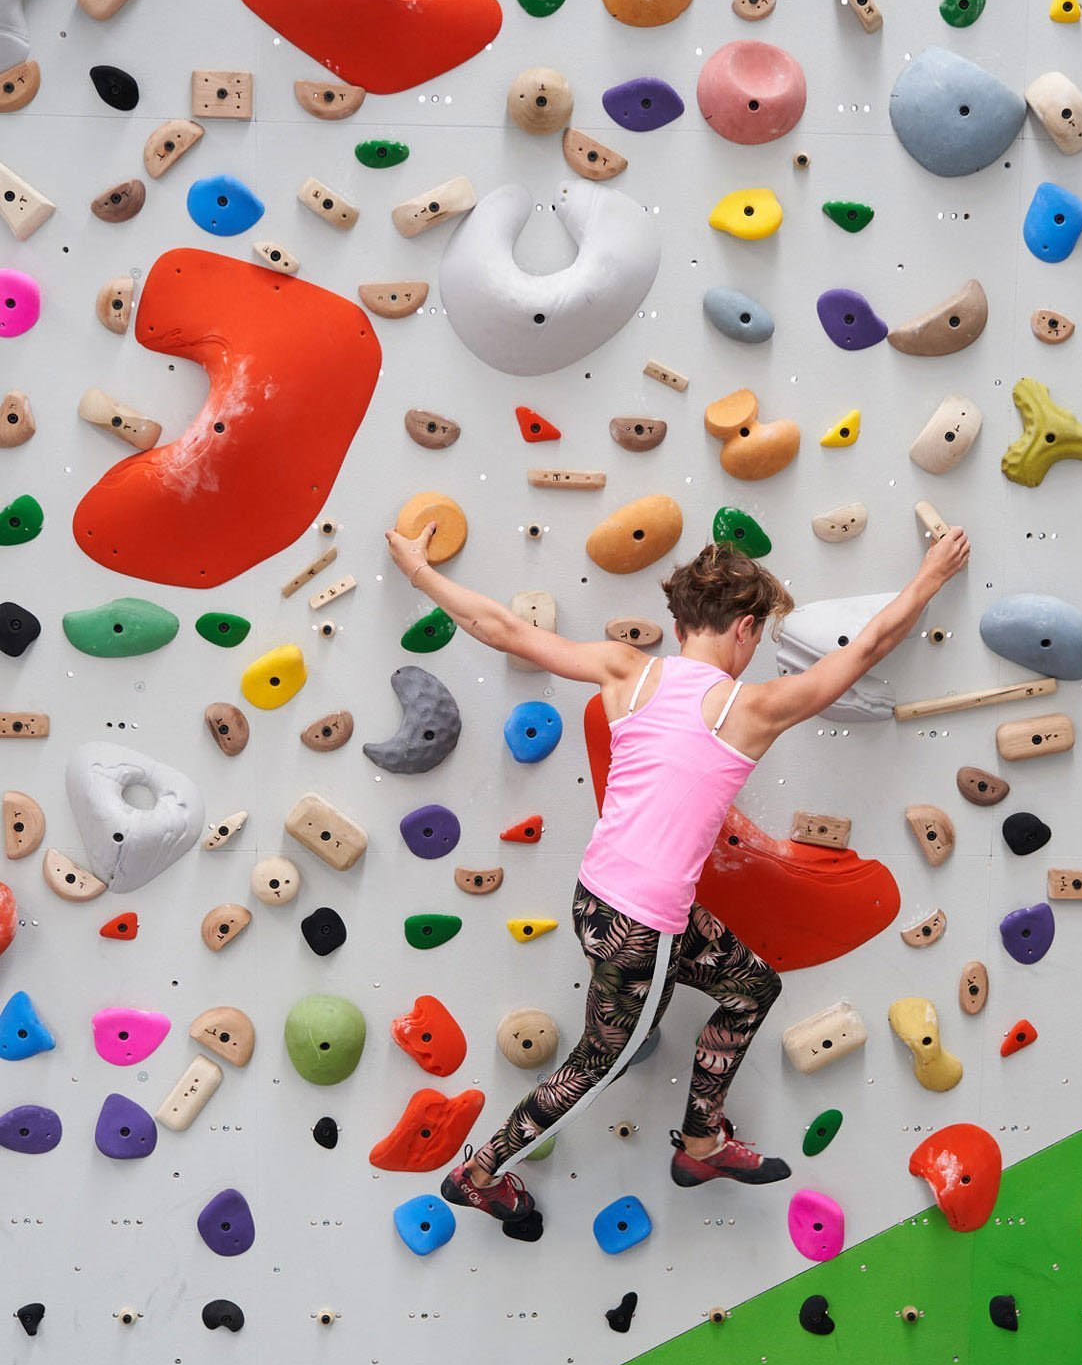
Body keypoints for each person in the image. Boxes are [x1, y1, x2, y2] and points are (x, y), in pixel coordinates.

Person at [386, 521, 970, 1242]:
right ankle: (476, 1176)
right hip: (642, 927)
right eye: (756, 639)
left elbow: (501, 626)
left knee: (751, 987)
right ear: (745, 628)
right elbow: (870, 644)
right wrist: (932, 574)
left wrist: (418, 571)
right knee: (597, 1063)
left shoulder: (626, 670)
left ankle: (701, 1144)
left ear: (676, 621)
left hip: (597, 899)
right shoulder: (747, 708)